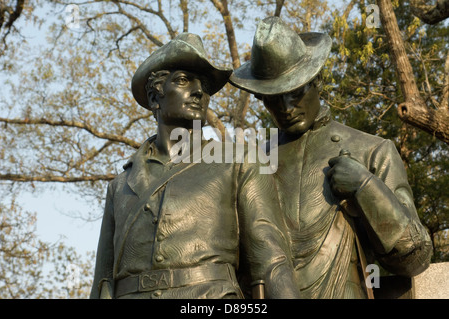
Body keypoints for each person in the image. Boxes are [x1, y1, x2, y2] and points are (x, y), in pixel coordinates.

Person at [229, 16, 432, 299]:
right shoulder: (251, 163)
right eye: (273, 98)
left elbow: (415, 258)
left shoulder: (372, 150)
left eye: (295, 92)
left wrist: (366, 188)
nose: (286, 107)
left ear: (317, 81)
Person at [90, 32, 301, 299]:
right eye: (182, 80)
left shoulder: (239, 161)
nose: (199, 91)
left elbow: (272, 264)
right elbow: (103, 283)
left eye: (202, 85)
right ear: (156, 98)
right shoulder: (120, 186)